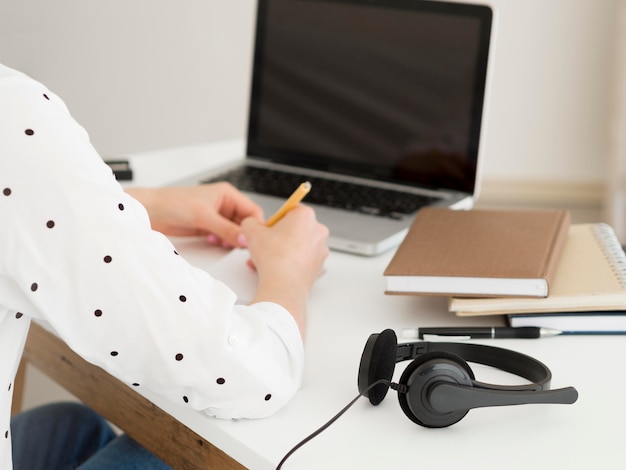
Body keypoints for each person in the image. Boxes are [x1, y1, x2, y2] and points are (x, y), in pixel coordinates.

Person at [0, 62, 329, 469]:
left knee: (72, 428)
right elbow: (246, 378)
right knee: (174, 456)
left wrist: (132, 206)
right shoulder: (10, 114)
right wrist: (291, 270)